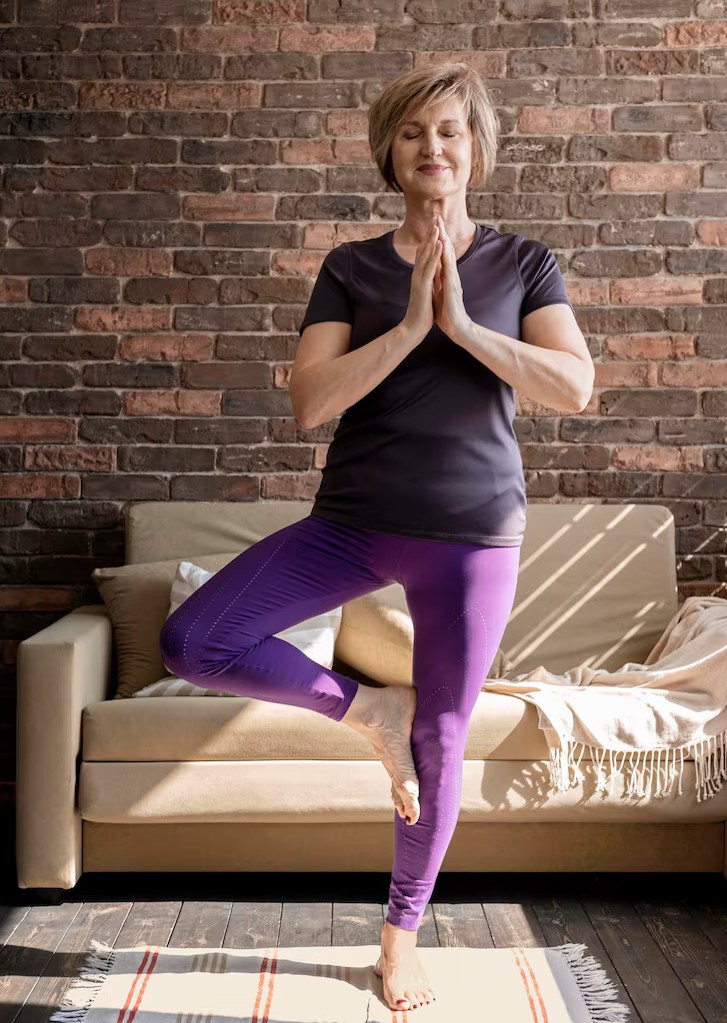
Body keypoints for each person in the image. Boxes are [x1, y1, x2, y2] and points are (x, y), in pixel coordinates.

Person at [159, 62, 593, 1012]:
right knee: (193, 639)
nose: (431, 147)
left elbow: (573, 385)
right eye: (411, 133)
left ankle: (399, 938)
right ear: (388, 154)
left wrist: (462, 325)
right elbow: (309, 402)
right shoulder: (350, 267)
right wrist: (404, 328)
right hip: (351, 524)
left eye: (449, 130)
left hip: (473, 535)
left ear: (475, 148)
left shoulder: (523, 263)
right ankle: (367, 711)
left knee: (440, 742)